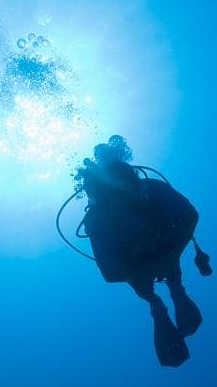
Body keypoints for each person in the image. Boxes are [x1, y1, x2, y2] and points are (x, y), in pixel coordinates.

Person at [76, 136, 208, 367]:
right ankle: (158, 303)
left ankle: (173, 293)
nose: (122, 193)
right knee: (151, 286)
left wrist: (166, 258)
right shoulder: (97, 218)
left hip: (159, 254)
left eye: (124, 180)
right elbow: (109, 273)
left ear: (131, 174)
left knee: (168, 279)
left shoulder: (153, 191)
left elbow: (190, 216)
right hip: (145, 262)